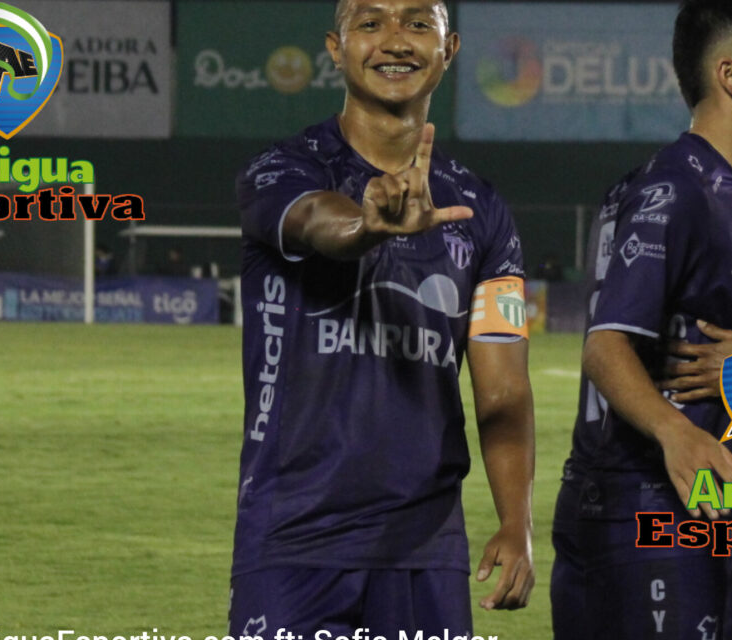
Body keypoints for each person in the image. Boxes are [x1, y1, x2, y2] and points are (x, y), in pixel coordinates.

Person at [230, 1, 536, 637]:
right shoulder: (283, 170)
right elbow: (316, 219)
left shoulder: (480, 210)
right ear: (335, 48)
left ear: (449, 50)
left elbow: (504, 389)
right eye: (370, 24)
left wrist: (517, 522)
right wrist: (366, 227)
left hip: (426, 546)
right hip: (296, 537)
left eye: (418, 24)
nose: (395, 41)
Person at [551, 2, 732, 638]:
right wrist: (675, 432)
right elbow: (606, 348)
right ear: (731, 76)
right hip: (645, 501)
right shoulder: (672, 192)